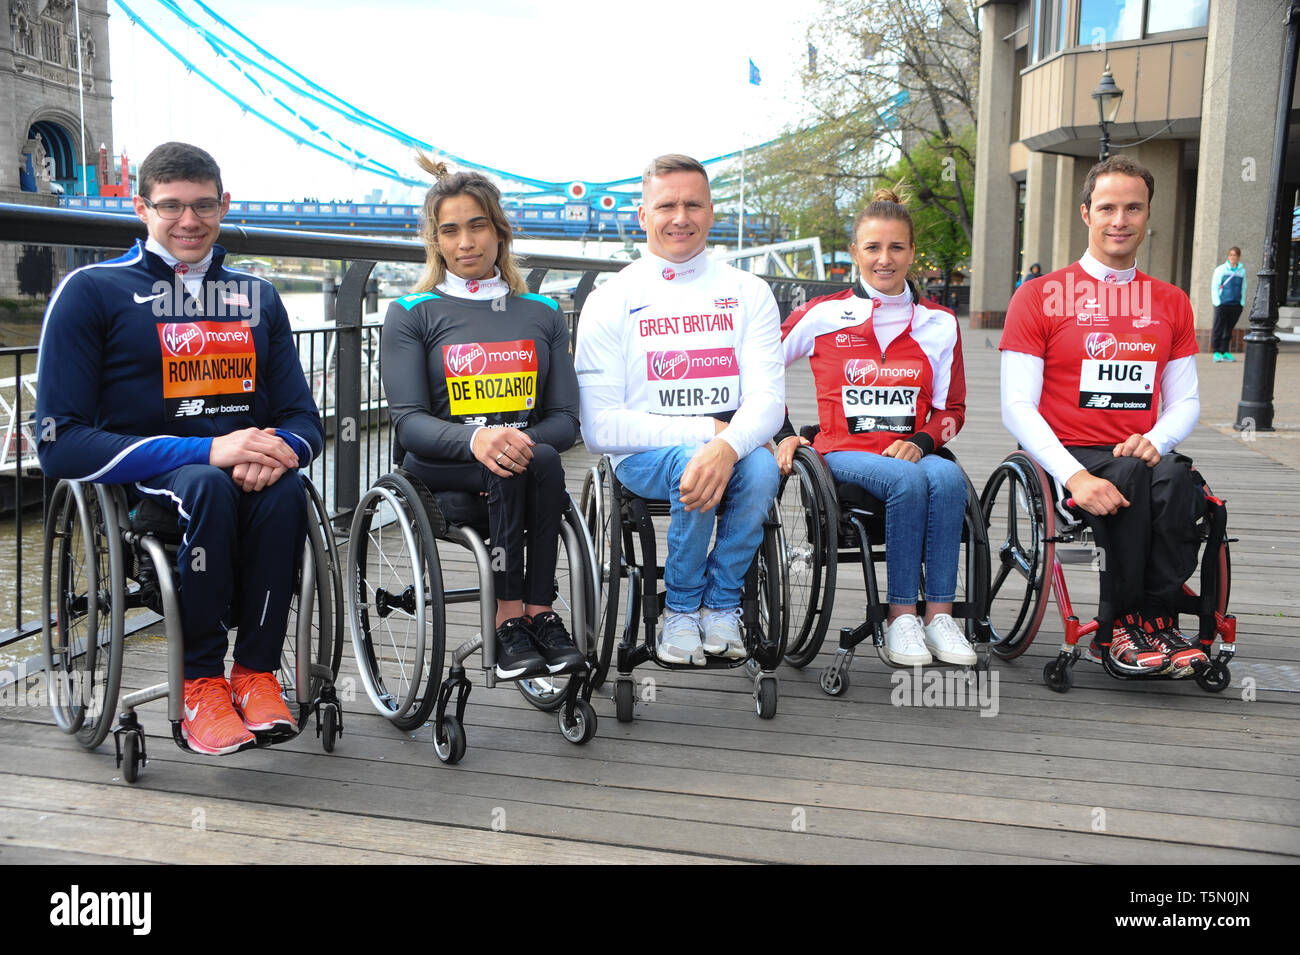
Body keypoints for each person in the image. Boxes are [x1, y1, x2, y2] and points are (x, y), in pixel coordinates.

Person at [36, 141, 324, 755]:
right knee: (207, 482)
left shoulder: (258, 297)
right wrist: (209, 451)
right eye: (170, 207)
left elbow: (304, 420)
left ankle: (253, 671)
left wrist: (277, 450)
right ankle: (199, 682)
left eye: (202, 206)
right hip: (149, 477)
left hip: (248, 470)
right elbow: (59, 443)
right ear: (141, 208)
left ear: (224, 206)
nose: (188, 221)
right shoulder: (91, 291)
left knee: (286, 485)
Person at [1000, 155, 1208, 677]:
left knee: (1178, 478)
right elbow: (1015, 406)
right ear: (1086, 213)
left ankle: (1154, 620)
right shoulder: (1040, 296)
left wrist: (1158, 437)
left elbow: (1185, 401)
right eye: (1108, 207)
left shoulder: (1171, 302)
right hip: (1067, 452)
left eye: (1133, 208)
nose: (1121, 220)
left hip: (1136, 448)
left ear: (1147, 215)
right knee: (1137, 477)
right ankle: (1124, 626)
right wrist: (1073, 476)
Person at [381, 154, 584, 682]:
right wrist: (479, 440)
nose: (465, 242)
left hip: (525, 458)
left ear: (500, 233)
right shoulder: (411, 312)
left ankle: (536, 613)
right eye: (450, 231)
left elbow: (565, 421)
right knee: (520, 461)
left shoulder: (541, 312)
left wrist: (509, 442)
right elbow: (408, 423)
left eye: (477, 226)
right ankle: (510, 615)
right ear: (436, 240)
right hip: (440, 463)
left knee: (532, 458)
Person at [576, 154, 784, 664]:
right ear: (643, 216)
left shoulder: (749, 292)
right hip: (643, 458)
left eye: (693, 204)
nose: (681, 217)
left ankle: (721, 604)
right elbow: (600, 428)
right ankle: (682, 608)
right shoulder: (610, 299)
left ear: (711, 212)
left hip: (729, 448)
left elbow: (769, 402)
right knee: (707, 459)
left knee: (759, 467)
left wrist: (726, 445)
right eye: (666, 205)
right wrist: (707, 435)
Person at [776, 188, 975, 666]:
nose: (885, 259)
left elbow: (953, 410)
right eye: (873, 248)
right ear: (854, 254)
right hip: (843, 452)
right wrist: (783, 431)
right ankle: (902, 617)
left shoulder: (940, 323)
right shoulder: (821, 314)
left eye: (896, 248)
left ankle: (940, 618)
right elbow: (759, 370)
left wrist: (922, 440)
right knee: (907, 479)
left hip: (912, 451)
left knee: (948, 477)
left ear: (912, 252)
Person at [1210, 246, 1247, 362]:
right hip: (1222, 304)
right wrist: (1217, 302)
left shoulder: (1242, 271)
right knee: (1218, 327)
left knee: (1228, 329)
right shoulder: (1221, 269)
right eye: (1230, 255)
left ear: (1238, 257)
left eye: (1235, 255)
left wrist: (1242, 302)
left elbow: (1244, 287)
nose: (1232, 257)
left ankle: (1224, 351)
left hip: (1236, 305)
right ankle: (1216, 351)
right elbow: (1215, 286)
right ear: (1228, 256)